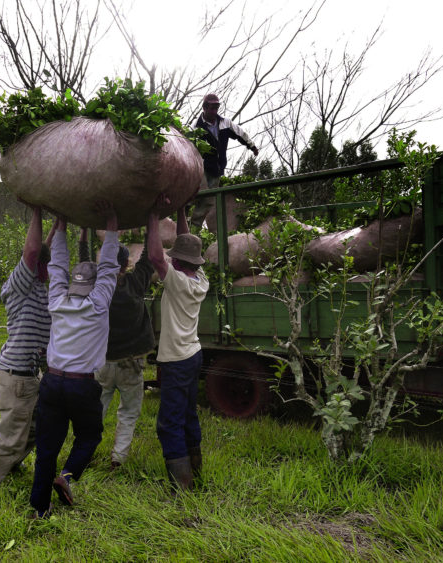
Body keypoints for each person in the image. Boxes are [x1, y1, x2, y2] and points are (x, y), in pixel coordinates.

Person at [29, 201, 120, 519]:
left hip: (52, 382)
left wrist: (62, 225)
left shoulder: (57, 299)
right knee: (90, 434)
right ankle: (66, 476)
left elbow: (56, 265)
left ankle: (39, 509)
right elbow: (108, 267)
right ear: (94, 287)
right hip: (82, 386)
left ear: (73, 283)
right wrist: (111, 226)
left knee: (47, 445)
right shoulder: (98, 303)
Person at [0, 206, 54, 494]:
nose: (46, 263)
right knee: (10, 437)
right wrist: (38, 212)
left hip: (28, 376)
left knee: (36, 428)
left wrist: (61, 223)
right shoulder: (19, 284)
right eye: (44, 260)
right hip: (17, 376)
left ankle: (10, 464)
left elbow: (42, 251)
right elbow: (32, 252)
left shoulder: (41, 286)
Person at [147, 199, 209, 491]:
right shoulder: (200, 280)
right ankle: (195, 467)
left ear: (178, 261)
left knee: (168, 423)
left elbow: (157, 257)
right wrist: (182, 212)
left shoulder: (177, 283)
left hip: (176, 360)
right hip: (193, 354)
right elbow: (184, 246)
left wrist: (153, 215)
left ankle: (182, 485)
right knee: (187, 413)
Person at [93, 234, 155, 470]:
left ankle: (85, 449)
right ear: (127, 264)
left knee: (96, 410)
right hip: (131, 364)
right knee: (128, 413)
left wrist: (83, 238)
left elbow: (84, 260)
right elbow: (149, 258)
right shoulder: (136, 283)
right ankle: (118, 458)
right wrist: (152, 221)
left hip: (104, 363)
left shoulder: (99, 290)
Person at [190, 93, 259, 227]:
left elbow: (240, 133)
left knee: (209, 201)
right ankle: (188, 222)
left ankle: (194, 228)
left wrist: (252, 146)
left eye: (216, 108)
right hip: (201, 167)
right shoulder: (196, 128)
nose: (214, 111)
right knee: (200, 196)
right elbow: (189, 148)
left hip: (217, 168)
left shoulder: (224, 123)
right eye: (211, 108)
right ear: (204, 107)